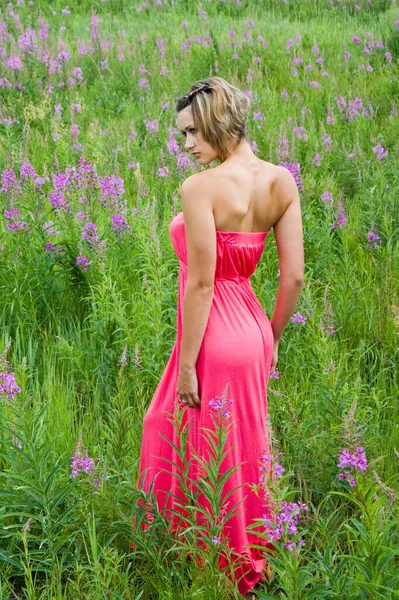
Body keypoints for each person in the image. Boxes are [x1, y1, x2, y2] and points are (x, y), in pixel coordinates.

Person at [138, 76, 304, 598]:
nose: (186, 145)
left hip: (213, 333)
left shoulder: (200, 188)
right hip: (253, 328)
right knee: (243, 441)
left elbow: (203, 281)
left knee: (173, 428)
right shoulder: (281, 181)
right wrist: (270, 336)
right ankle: (252, 546)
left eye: (191, 132)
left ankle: (209, 556)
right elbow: (293, 276)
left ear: (214, 123)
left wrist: (187, 364)